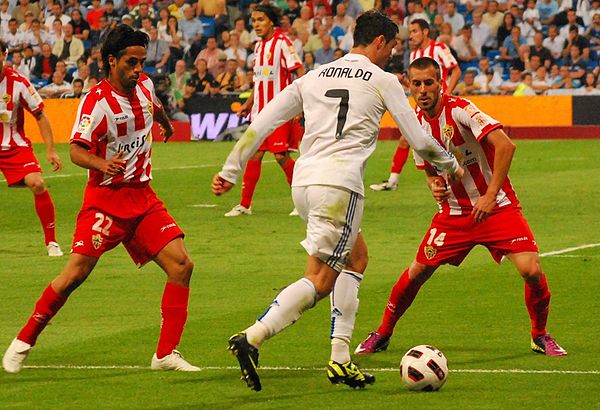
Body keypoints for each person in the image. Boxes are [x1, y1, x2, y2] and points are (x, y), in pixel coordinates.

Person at [211, 11, 462, 392]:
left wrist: (232, 168)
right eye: (392, 47)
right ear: (379, 42)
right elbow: (420, 140)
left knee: (356, 258)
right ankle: (253, 336)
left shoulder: (313, 76)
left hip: (305, 183)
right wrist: (452, 165)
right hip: (339, 186)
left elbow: (262, 121)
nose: (391, 56)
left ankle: (341, 358)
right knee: (321, 279)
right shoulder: (381, 80)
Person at [2, 25, 199, 374]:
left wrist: (166, 125)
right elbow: (77, 150)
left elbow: (154, 107)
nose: (139, 69)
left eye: (141, 62)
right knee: (75, 274)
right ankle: (24, 339)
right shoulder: (96, 103)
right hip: (106, 200)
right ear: (111, 61)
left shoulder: (145, 86)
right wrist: (102, 162)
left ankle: (166, 354)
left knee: (182, 265)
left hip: (143, 196)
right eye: (131, 62)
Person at [354, 56, 568, 358]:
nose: (423, 89)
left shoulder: (462, 109)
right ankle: (383, 332)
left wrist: (491, 195)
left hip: (496, 208)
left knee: (531, 270)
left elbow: (506, 145)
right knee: (418, 271)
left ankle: (540, 335)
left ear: (440, 83)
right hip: (454, 214)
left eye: (429, 82)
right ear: (409, 86)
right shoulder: (413, 122)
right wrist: (433, 185)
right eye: (417, 84)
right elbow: (428, 167)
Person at [223, 4, 305, 217]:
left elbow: (299, 70)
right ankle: (244, 205)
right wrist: (248, 104)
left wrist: (303, 102)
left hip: (279, 112)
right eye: (254, 21)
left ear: (271, 21)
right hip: (259, 112)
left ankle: (303, 201)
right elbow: (259, 82)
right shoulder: (258, 47)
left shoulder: (282, 42)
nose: (256, 24)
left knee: (280, 156)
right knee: (255, 154)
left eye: (260, 20)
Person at [370, 18, 461, 192]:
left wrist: (447, 93)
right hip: (422, 106)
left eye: (414, 31)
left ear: (425, 32)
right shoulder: (413, 55)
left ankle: (457, 176)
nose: (411, 36)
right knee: (406, 139)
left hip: (441, 105)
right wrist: (404, 81)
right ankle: (393, 181)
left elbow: (456, 70)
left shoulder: (440, 48)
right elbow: (417, 85)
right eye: (410, 32)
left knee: (451, 140)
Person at [0, 40, 63, 257]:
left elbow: (40, 115)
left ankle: (52, 242)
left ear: (4, 55)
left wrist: (51, 150)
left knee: (37, 183)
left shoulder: (18, 83)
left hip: (15, 146)